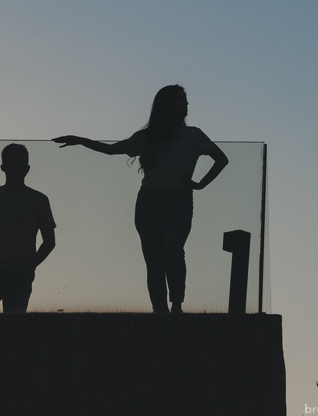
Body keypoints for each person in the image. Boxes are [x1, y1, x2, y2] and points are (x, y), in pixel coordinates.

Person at [54, 85, 229, 314]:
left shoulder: (193, 135)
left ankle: (176, 305)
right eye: (181, 99)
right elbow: (111, 150)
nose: (186, 104)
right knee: (154, 257)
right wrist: (81, 140)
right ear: (167, 104)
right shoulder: (148, 137)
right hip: (150, 201)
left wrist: (200, 184)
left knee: (174, 250)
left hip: (179, 199)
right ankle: (159, 309)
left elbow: (221, 159)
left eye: (185, 100)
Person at [0, 143, 56, 313]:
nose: (19, 165)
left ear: (28, 168)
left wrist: (30, 265)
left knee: (14, 328)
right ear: (3, 167)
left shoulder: (39, 200)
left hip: (19, 275)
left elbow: (50, 242)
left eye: (22, 162)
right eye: (14, 161)